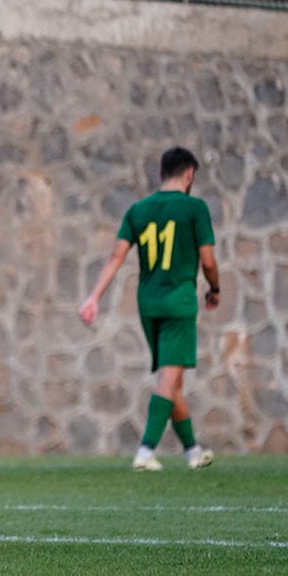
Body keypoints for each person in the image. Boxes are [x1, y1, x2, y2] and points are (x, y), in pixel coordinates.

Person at [80, 147, 219, 472]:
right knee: (169, 379)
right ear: (189, 174)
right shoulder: (195, 208)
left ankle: (193, 451)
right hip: (179, 303)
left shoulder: (138, 210)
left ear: (161, 174)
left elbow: (116, 255)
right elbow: (209, 260)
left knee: (171, 381)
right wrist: (215, 288)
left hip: (148, 304)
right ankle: (145, 450)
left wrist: (94, 296)